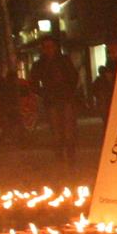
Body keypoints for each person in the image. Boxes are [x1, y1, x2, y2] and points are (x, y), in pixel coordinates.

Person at [30, 36, 82, 166]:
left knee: (69, 130)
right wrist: (44, 93)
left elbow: (73, 77)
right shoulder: (40, 64)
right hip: (51, 100)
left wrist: (69, 91)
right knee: (56, 131)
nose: (48, 50)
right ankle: (59, 158)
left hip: (66, 98)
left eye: (51, 46)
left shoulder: (64, 61)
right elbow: (34, 83)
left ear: (56, 47)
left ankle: (70, 158)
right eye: (45, 47)